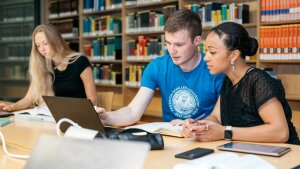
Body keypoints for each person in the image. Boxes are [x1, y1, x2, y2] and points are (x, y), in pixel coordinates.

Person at [96, 9, 224, 127]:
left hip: (205, 139)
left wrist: (194, 125)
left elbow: (219, 119)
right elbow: (133, 111)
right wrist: (107, 117)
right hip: (170, 138)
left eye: (179, 44)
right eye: (168, 43)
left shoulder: (216, 70)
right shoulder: (157, 67)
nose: (172, 51)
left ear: (197, 41)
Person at [183, 22, 300, 145]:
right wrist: (200, 126)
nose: (205, 57)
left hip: (286, 156)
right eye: (206, 51)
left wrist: (225, 132)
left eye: (212, 52)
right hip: (251, 153)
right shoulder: (228, 80)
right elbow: (216, 117)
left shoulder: (258, 80)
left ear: (234, 55)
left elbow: (280, 132)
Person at [0, 24, 97, 111]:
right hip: (56, 119)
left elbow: (93, 101)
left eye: (45, 44)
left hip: (80, 116)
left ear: (56, 41)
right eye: (38, 46)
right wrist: (10, 108)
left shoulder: (80, 61)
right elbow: (29, 99)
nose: (42, 49)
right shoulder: (43, 67)